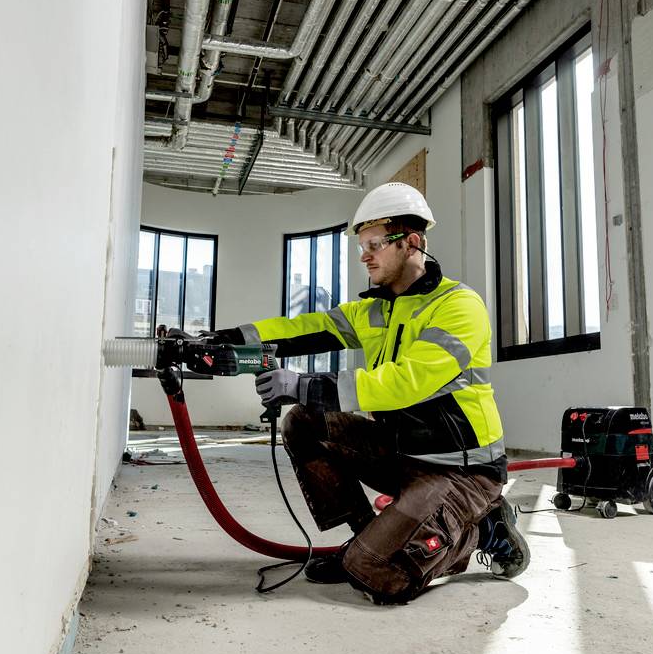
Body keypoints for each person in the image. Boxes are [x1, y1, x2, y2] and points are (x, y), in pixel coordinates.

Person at [210, 182, 528, 604]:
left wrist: (303, 384)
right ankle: (367, 538)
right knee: (303, 422)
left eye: (375, 243)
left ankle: (483, 528)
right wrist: (223, 339)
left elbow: (405, 382)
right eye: (362, 245)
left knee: (374, 575)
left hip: (460, 470)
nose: (364, 255)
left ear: (412, 242)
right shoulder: (376, 309)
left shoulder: (458, 305)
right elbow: (300, 329)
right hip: (401, 454)